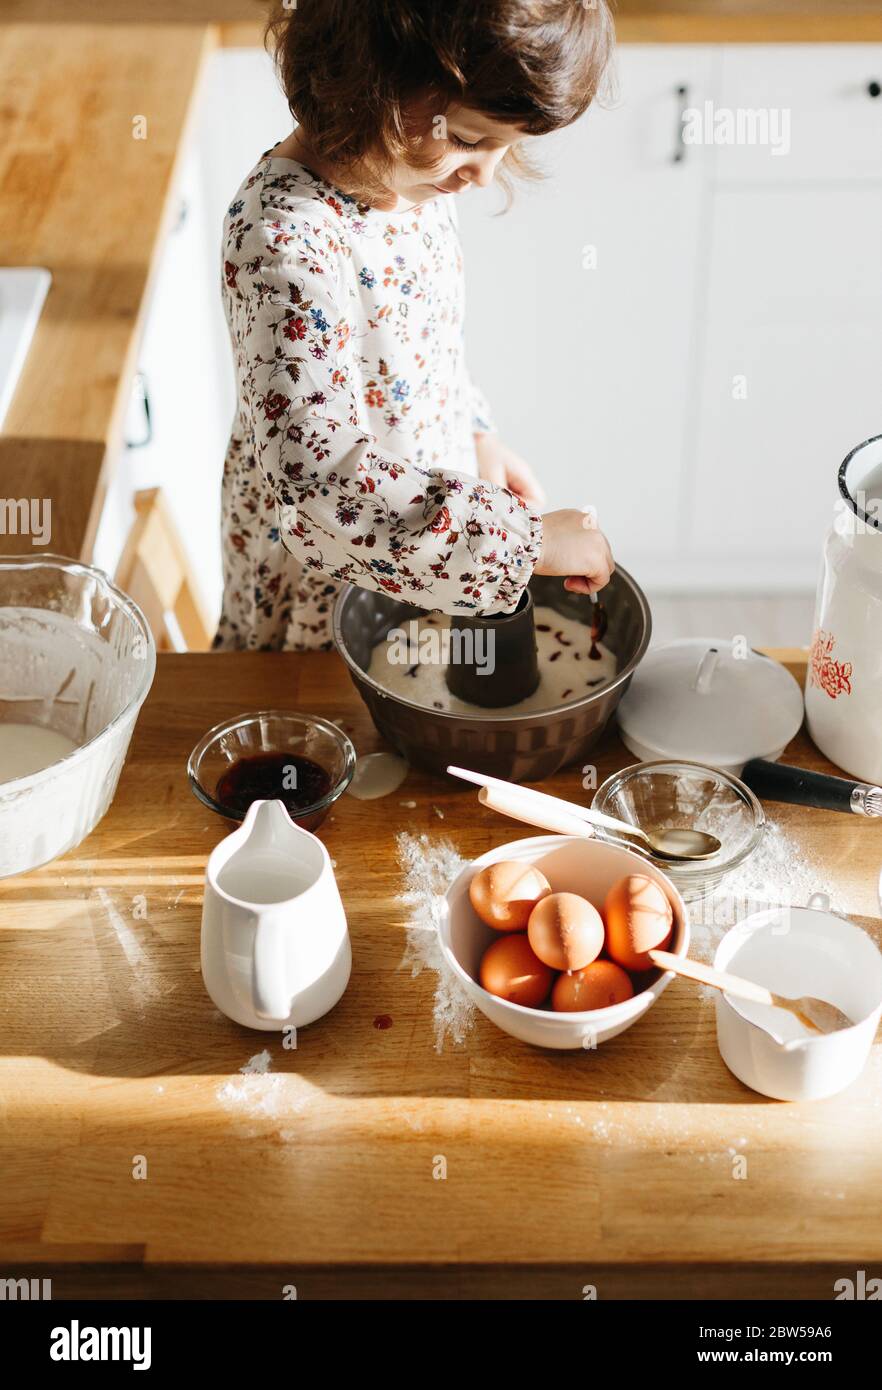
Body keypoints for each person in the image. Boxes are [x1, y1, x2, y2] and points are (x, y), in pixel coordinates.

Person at [214, 0, 615, 652]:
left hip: (427, 545)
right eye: (468, 139)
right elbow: (325, 481)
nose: (484, 175)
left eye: (504, 147)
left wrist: (474, 433)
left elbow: (425, 349)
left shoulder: (406, 181)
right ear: (367, 79)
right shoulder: (285, 240)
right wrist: (526, 540)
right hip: (326, 585)